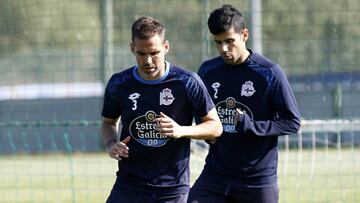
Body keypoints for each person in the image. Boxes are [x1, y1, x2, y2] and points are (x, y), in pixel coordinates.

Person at [101, 16, 222, 203]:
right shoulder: (119, 83)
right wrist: (111, 145)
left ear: (166, 47)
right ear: (132, 48)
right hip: (129, 185)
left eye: (154, 53)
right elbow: (108, 123)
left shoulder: (187, 82)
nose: (148, 60)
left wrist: (181, 131)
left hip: (171, 189)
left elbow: (215, 127)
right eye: (141, 54)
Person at [188, 4, 301, 203]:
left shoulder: (269, 73)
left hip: (256, 180)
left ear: (244, 34)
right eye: (218, 42)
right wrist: (207, 131)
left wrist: (250, 125)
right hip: (216, 176)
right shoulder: (208, 71)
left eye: (229, 41)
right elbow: (201, 110)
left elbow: (292, 122)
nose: (223, 48)